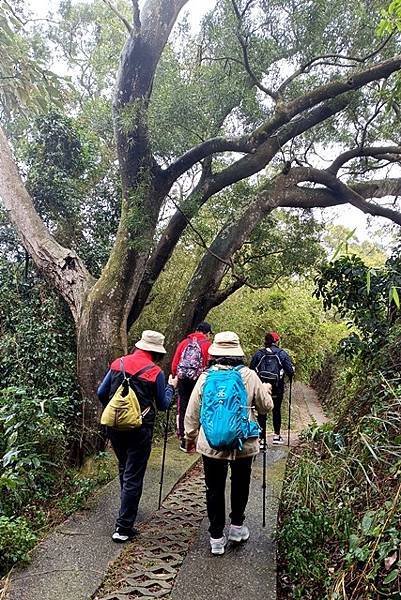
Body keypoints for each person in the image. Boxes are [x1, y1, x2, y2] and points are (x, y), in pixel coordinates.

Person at [184, 331, 273, 555]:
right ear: (237, 353)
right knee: (240, 482)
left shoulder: (205, 377)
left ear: (215, 352)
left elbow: (192, 411)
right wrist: (266, 390)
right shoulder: (250, 376)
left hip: (211, 444)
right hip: (244, 444)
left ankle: (216, 537)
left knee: (214, 487)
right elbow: (266, 407)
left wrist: (190, 437)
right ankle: (236, 527)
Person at [97, 330, 177, 543]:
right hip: (140, 429)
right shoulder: (155, 372)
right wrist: (171, 388)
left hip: (115, 426)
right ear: (156, 352)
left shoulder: (118, 364)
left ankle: (127, 508)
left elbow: (101, 393)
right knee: (133, 473)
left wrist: (116, 411)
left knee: (124, 467)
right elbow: (163, 404)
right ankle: (123, 527)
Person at [171, 321, 212, 452]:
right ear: (207, 333)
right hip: (199, 380)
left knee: (183, 407)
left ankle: (184, 439)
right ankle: (197, 439)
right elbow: (210, 364)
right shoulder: (207, 345)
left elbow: (175, 363)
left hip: (183, 379)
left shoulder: (184, 343)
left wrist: (175, 375)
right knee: (200, 407)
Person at [250, 331, 294, 445]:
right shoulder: (281, 354)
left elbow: (251, 370)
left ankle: (261, 439)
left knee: (261, 411)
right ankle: (276, 436)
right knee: (276, 410)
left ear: (265, 341)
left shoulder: (259, 354)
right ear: (276, 341)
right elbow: (290, 371)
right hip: (277, 387)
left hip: (261, 387)